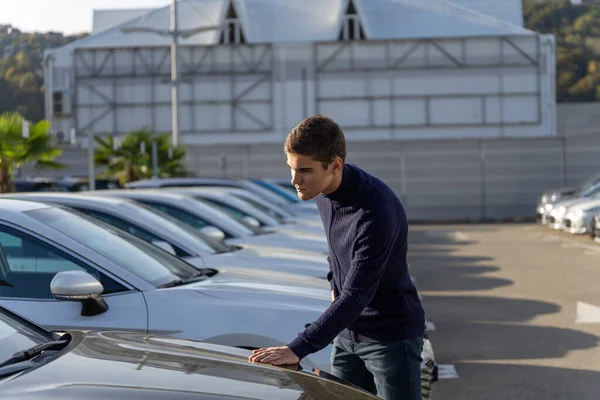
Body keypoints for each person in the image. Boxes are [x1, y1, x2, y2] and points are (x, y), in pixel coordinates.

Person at [248, 115, 425, 400]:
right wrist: (333, 284)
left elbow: (358, 294)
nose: (295, 180)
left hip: (390, 339)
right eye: (291, 169)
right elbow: (337, 251)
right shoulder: (321, 192)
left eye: (304, 170)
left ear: (334, 165)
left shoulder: (375, 211)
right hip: (346, 336)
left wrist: (298, 347)